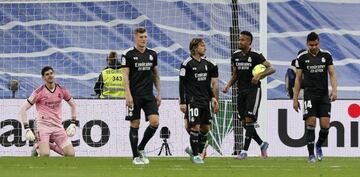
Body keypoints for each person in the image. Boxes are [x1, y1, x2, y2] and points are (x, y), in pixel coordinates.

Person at [222, 31, 275, 160]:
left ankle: (244, 152)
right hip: (241, 91)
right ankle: (262, 144)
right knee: (245, 123)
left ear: (249, 42)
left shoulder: (256, 55)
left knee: (250, 119)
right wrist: (228, 85)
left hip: (253, 90)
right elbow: (235, 74)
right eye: (240, 40)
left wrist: (259, 75)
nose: (240, 42)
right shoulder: (235, 55)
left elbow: (272, 68)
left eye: (243, 40)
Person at [293, 32, 337, 163]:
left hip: (323, 95)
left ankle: (318, 146)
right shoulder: (302, 57)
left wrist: (334, 91)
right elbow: (298, 79)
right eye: (311, 45)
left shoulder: (326, 55)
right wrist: (295, 98)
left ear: (319, 43)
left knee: (325, 125)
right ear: (307, 44)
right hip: (309, 95)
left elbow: (332, 74)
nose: (313, 47)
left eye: (316, 44)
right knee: (311, 122)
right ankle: (311, 154)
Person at [122, 27, 161, 165]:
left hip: (149, 95)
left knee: (155, 122)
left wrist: (159, 93)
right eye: (141, 37)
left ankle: (141, 147)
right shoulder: (128, 54)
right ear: (135, 37)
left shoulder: (152, 54)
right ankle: (135, 157)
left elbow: (155, 74)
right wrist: (128, 95)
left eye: (145, 37)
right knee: (135, 124)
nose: (143, 39)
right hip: (134, 95)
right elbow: (125, 76)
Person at [20, 66, 77, 157]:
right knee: (45, 155)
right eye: (47, 74)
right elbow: (23, 108)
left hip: (58, 126)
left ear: (54, 74)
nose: (50, 76)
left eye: (51, 73)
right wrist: (26, 128)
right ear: (43, 78)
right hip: (43, 127)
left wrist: (73, 123)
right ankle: (39, 147)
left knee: (70, 154)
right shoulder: (38, 92)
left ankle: (46, 145)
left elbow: (73, 104)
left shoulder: (62, 90)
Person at [179, 38, 219, 164]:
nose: (205, 48)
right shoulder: (187, 64)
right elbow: (182, 84)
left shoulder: (206, 64)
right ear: (195, 48)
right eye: (202, 46)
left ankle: (196, 150)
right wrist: (182, 102)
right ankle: (196, 155)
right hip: (193, 100)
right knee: (194, 127)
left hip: (205, 101)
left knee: (205, 129)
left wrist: (212, 97)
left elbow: (207, 84)